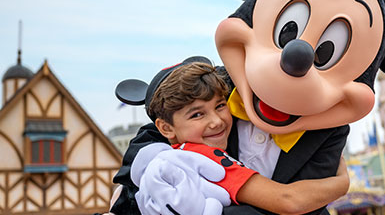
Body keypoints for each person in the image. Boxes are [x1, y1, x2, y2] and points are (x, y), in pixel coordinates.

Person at [134, 61, 349, 214]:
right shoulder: (204, 157)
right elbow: (287, 201)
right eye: (197, 114)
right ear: (165, 128)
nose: (216, 121)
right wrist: (340, 185)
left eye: (220, 106)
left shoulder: (161, 164)